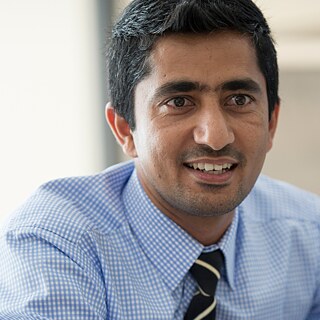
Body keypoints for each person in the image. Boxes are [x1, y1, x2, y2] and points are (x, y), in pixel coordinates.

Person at [0, 0, 319, 318]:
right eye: (179, 101)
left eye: (239, 99)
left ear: (271, 121)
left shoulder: (308, 233)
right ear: (124, 129)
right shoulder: (57, 244)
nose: (215, 136)